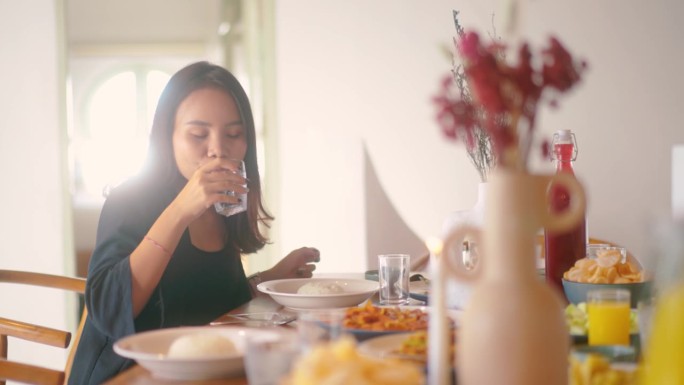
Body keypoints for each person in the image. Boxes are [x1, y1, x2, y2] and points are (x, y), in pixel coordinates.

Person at [67, 61, 320, 385]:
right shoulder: (130, 199)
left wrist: (270, 281)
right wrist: (181, 210)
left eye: (233, 133)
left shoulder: (223, 206)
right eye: (198, 134)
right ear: (167, 137)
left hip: (199, 373)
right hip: (129, 375)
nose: (217, 149)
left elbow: (209, 303)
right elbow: (109, 310)